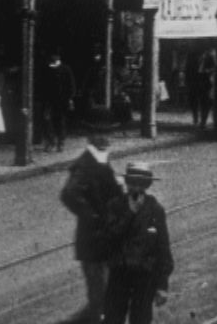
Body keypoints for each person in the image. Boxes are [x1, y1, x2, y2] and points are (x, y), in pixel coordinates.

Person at [60, 135, 123, 324]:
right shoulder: (85, 164)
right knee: (99, 293)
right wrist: (93, 217)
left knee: (106, 290)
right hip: (93, 239)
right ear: (91, 139)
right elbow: (69, 194)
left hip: (107, 237)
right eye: (100, 135)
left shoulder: (101, 159)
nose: (105, 140)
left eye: (107, 135)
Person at [103, 161, 174, 324]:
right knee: (112, 319)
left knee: (141, 319)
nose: (136, 188)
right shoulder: (115, 206)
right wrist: (130, 213)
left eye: (141, 184)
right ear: (127, 183)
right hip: (119, 275)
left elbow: (163, 248)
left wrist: (162, 285)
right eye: (132, 183)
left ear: (147, 185)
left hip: (145, 277)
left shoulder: (155, 209)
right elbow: (108, 238)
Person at [41, 51, 76, 152]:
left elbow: (71, 84)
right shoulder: (47, 69)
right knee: (47, 120)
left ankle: (60, 142)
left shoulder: (66, 69)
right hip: (49, 99)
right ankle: (51, 141)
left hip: (62, 100)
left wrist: (70, 98)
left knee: (60, 121)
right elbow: (43, 84)